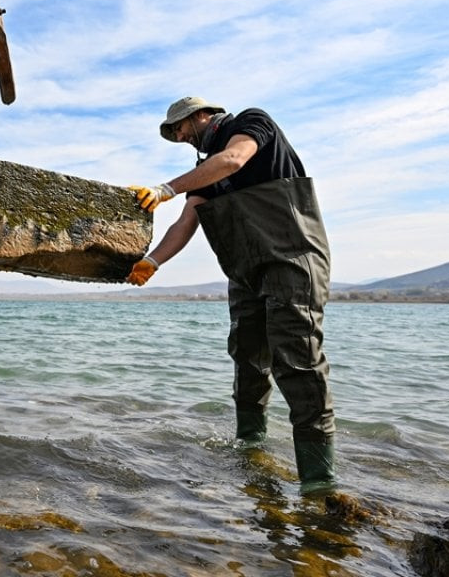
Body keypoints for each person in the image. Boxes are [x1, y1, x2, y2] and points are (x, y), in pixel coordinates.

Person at [126, 96, 336, 495]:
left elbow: (235, 159)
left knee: (298, 362)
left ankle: (319, 481)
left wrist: (166, 188)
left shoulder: (252, 123)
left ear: (202, 115)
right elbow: (187, 222)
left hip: (292, 258)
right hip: (245, 271)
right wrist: (152, 262)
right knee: (248, 359)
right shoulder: (203, 173)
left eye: (182, 128)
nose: (182, 136)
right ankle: (251, 449)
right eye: (175, 133)